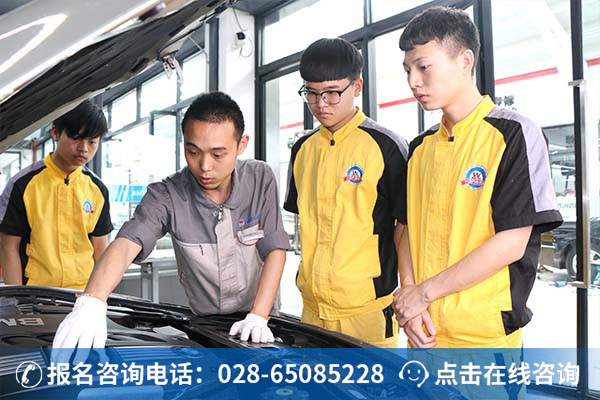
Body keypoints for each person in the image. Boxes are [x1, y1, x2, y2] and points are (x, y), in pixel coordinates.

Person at [52, 92, 289, 363]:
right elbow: (128, 241)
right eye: (193, 152)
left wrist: (259, 316)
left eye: (218, 154)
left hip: (262, 323)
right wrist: (92, 302)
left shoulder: (260, 178)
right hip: (206, 328)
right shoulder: (167, 195)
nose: (205, 166)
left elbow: (275, 248)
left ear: (241, 144)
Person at [392, 6, 563, 349]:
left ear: (465, 60)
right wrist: (410, 297)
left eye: (424, 67)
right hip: (423, 331)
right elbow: (405, 228)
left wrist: (422, 293)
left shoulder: (514, 134)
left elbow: (511, 242)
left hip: (483, 339)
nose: (413, 81)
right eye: (408, 70)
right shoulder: (420, 148)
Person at [284, 38, 408, 348]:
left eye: (331, 93)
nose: (320, 104)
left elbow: (406, 227)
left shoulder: (386, 147)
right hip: (311, 309)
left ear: (357, 87)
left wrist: (411, 290)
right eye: (311, 93)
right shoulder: (302, 150)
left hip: (367, 311)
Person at [0, 100, 112, 289]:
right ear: (55, 133)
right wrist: (17, 299)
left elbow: (100, 249)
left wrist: (99, 295)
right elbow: (8, 246)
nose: (84, 148)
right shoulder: (23, 184)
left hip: (82, 294)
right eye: (76, 138)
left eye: (92, 142)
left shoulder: (97, 189)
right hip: (35, 293)